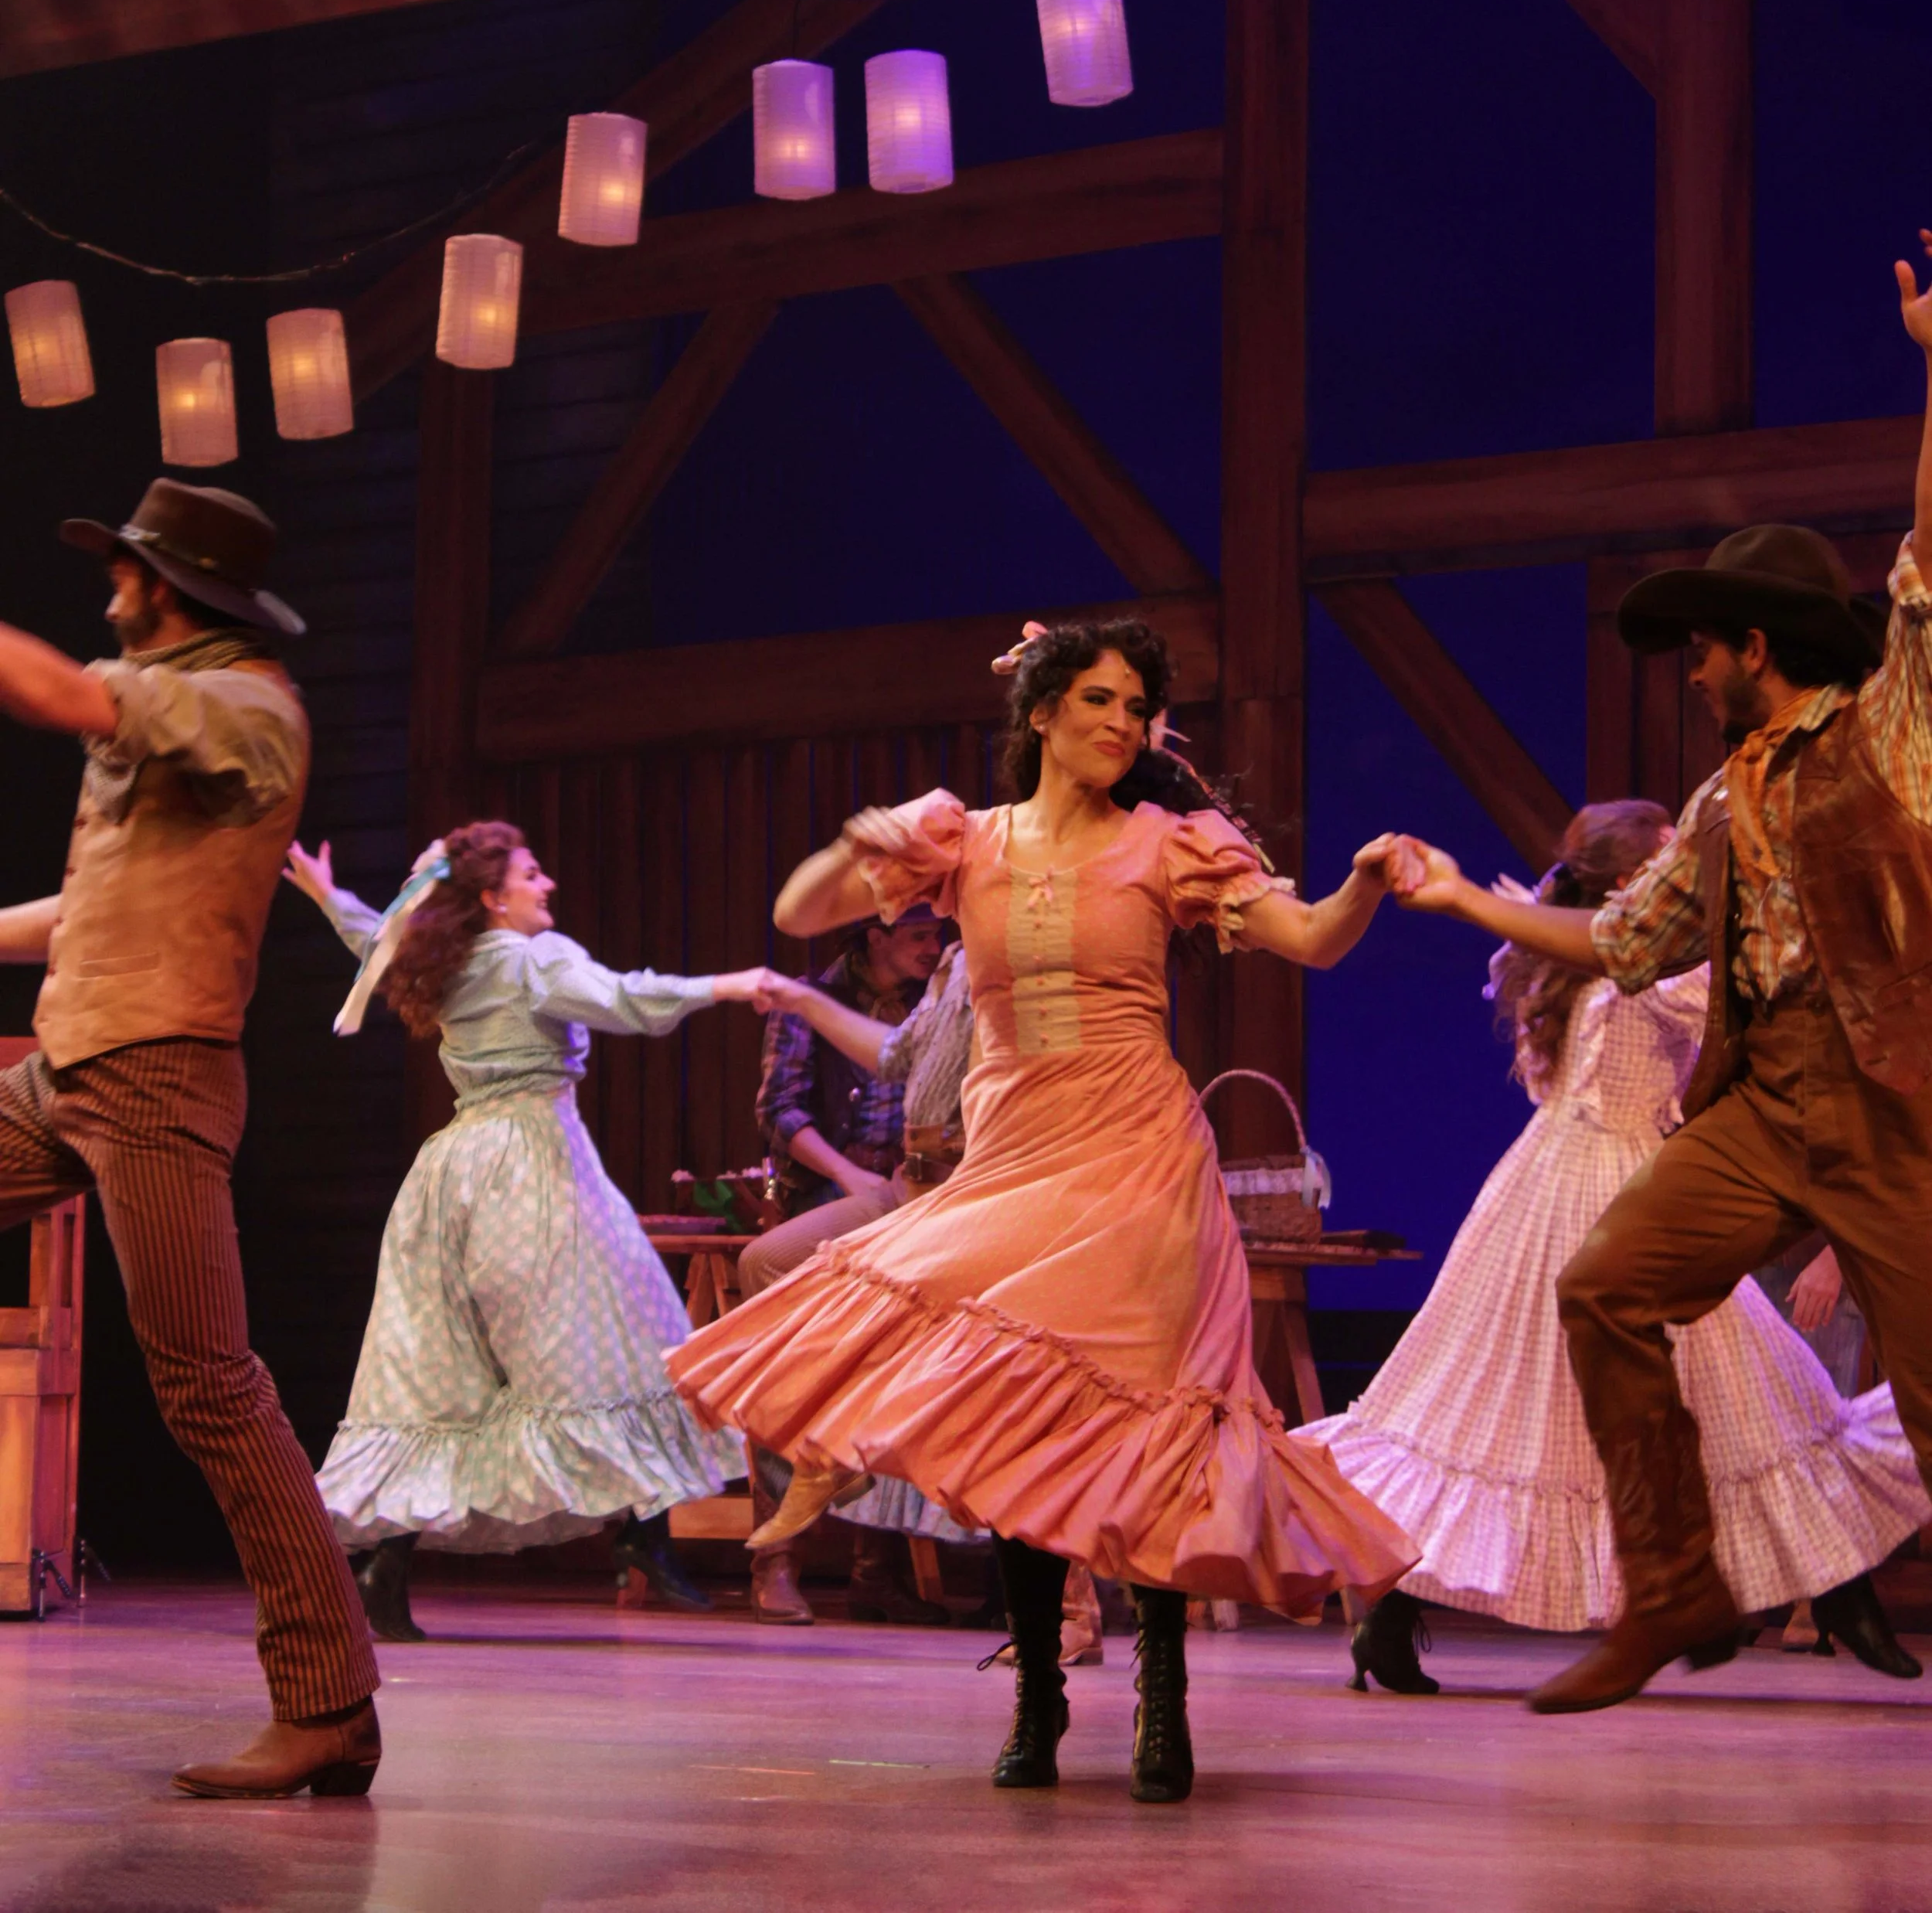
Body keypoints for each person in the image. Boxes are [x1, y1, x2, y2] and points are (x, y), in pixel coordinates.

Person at [668, 617, 1417, 1806]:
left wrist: (1367, 881)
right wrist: (867, 834)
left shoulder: (1173, 844)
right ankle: (1035, 1694)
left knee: (1148, 1433)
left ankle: (1161, 1693)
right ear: (1043, 712)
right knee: (1011, 1419)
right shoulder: (967, 838)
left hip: (1141, 1160)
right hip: (1016, 1156)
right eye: (1102, 699)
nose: (1125, 722)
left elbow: (1315, 939)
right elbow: (802, 910)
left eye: (1139, 706)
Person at [1386, 236, 1932, 1714]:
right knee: (1607, 1288)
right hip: (1768, 1106)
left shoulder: (1890, 734)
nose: (1691, 675)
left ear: (1756, 646)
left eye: (1702, 653)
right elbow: (1628, 944)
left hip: (1895, 1100)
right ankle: (1676, 1585)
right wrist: (1466, 900)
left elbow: (1926, 572)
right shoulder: (1719, 800)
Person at [1298, 802, 1923, 1693]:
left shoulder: (1555, 958)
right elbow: (1737, 1010)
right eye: (1668, 856)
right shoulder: (1649, 972)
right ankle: (1393, 1613)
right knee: (1530, 1410)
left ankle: (1837, 1588)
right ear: (1634, 881)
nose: (1685, 870)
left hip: (1550, 1179)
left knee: (1744, 1389)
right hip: (1603, 1185)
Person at [0, 478, 380, 1801]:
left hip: (156, 1079)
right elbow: (94, 902)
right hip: (67, 1068)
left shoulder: (244, 706)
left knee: (211, 1387)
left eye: (125, 572)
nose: (110, 590)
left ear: (166, 588)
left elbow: (60, 691)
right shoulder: (185, 711)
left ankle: (329, 1702)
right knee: (211, 1384)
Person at [287, 822, 780, 1637]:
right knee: (626, 1334)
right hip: (533, 1165)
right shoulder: (529, 960)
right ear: (493, 897)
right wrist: (730, 984)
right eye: (531, 874)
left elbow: (376, 938)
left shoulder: (441, 959)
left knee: (440, 1376)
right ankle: (644, 1532)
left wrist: (326, 894)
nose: (546, 885)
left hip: (449, 1176)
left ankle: (387, 1566)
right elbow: (623, 999)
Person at [753, 912, 1106, 1661]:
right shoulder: (949, 969)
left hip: (972, 1189)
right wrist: (803, 999)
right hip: (905, 1185)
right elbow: (891, 1058)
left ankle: (1069, 1609)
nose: (932, 927)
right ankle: (823, 1459)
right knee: (773, 1265)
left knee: (1006, 1381)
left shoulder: (1018, 967)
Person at [739, 895, 942, 1619]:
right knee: (791, 1360)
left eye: (937, 933)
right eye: (917, 933)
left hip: (910, 1198)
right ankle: (776, 1561)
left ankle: (874, 1571)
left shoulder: (934, 998)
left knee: (896, 1369)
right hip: (833, 1191)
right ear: (875, 935)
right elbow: (780, 1109)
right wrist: (849, 1175)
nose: (932, 945)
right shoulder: (815, 1002)